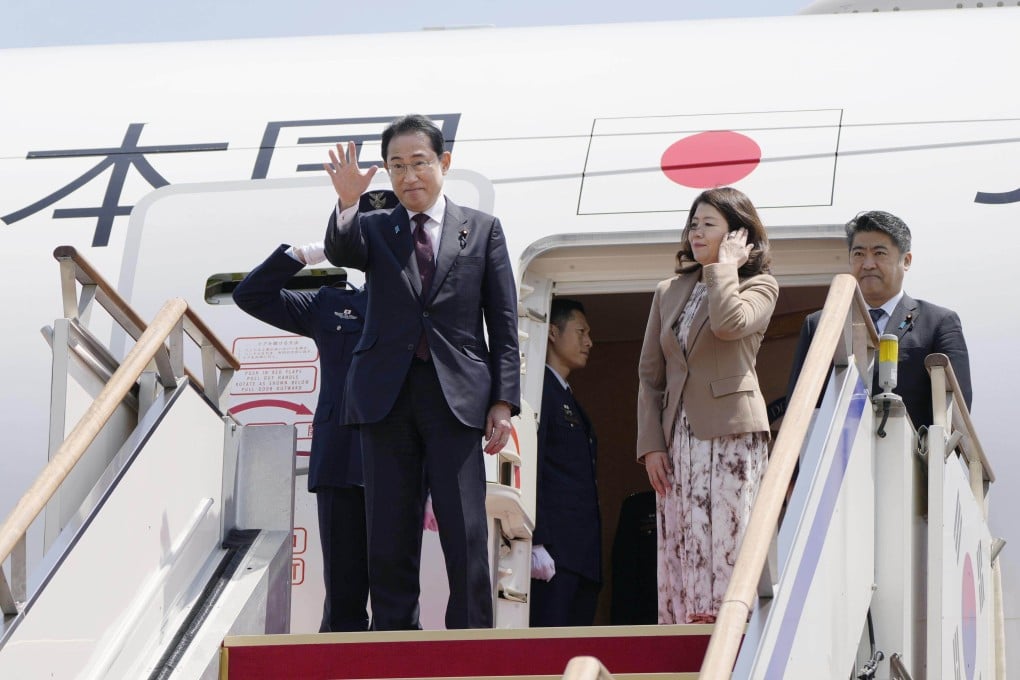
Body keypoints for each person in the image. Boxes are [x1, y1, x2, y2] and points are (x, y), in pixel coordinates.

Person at [321, 114, 520, 630]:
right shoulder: (372, 226)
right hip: (384, 398)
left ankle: (471, 642)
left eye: (419, 163)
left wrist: (503, 402)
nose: (409, 176)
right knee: (388, 530)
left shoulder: (481, 229)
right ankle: (394, 641)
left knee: (466, 529)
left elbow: (502, 323)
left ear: (444, 163)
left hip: (456, 397)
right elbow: (342, 251)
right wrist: (347, 202)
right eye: (396, 166)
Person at [636, 187, 777, 625]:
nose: (696, 233)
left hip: (732, 432)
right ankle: (685, 627)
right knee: (684, 534)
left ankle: (732, 627)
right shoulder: (668, 290)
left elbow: (730, 323)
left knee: (729, 537)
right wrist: (651, 444)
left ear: (738, 234)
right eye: (693, 224)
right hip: (679, 438)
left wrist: (724, 269)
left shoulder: (762, 285)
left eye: (709, 225)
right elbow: (650, 374)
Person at [232, 239, 370, 632]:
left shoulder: (419, 305)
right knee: (344, 593)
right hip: (341, 461)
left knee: (398, 596)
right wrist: (304, 255)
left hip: (400, 462)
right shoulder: (328, 304)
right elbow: (252, 295)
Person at [786, 210, 972, 429]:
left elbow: (958, 410)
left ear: (907, 260)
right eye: (858, 254)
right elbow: (798, 405)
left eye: (879, 253)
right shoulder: (821, 324)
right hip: (839, 457)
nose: (867, 264)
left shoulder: (938, 322)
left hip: (911, 458)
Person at [530, 298, 601, 627]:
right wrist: (536, 539)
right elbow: (533, 468)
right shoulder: (539, 391)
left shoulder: (565, 395)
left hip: (580, 555)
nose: (589, 341)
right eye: (581, 331)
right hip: (555, 554)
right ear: (553, 332)